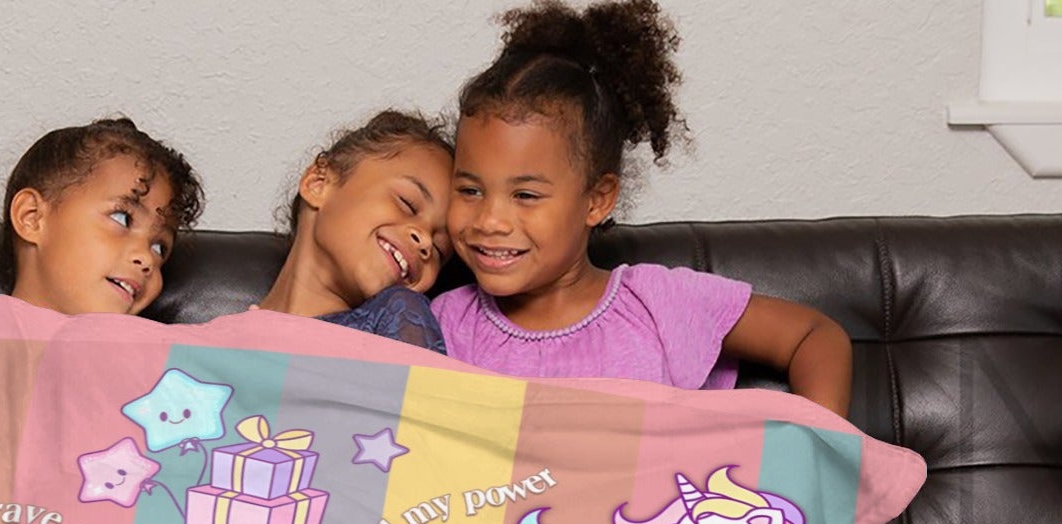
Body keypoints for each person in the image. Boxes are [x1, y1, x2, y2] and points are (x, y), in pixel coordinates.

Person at [437, 1, 852, 414]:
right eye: (470, 190)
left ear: (597, 199)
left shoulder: (658, 304)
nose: (489, 220)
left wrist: (816, 443)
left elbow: (813, 335)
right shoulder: (442, 325)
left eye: (525, 195)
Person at [256, 111, 455, 351]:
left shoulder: (402, 314)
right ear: (318, 183)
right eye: (407, 203)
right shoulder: (218, 337)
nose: (425, 242)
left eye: (439, 250)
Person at [0, 117, 204, 316]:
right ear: (32, 217)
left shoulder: (151, 337)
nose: (146, 258)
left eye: (159, 248)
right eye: (122, 218)